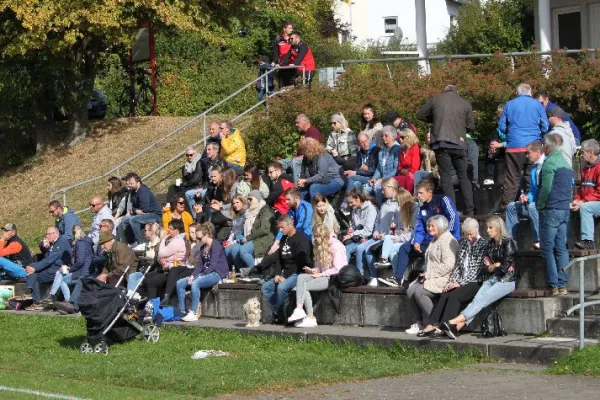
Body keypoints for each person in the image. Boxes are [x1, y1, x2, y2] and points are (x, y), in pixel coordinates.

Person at [441, 216, 517, 339]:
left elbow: (504, 269)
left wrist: (494, 266)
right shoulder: (490, 244)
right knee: (477, 300)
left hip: (506, 281)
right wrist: (495, 265)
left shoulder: (508, 243)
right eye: (487, 227)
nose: (487, 230)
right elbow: (485, 267)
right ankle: (456, 328)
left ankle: (452, 322)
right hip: (492, 278)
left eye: (490, 227)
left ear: (498, 228)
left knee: (483, 299)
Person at [419, 218, 488, 337]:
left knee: (455, 296)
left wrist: (459, 283)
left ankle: (445, 326)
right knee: (446, 293)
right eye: (466, 234)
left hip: (476, 281)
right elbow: (458, 266)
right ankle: (432, 323)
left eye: (471, 234)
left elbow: (477, 270)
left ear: (477, 230)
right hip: (461, 279)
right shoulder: (463, 243)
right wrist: (452, 281)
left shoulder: (483, 245)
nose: (469, 237)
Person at [417, 85, 475, 216]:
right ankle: (471, 210)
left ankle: (451, 210)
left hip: (441, 143)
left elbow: (420, 114)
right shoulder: (465, 103)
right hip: (459, 144)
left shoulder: (436, 99)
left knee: (446, 177)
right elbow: (470, 126)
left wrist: (435, 119)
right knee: (464, 177)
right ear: (456, 92)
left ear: (444, 91)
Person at [394, 179, 460, 289]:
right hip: (428, 240)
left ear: (430, 192)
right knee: (404, 248)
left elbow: (453, 217)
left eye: (420, 193)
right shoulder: (422, 208)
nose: (418, 196)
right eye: (417, 193)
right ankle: (398, 278)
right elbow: (419, 227)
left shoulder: (443, 200)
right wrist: (417, 242)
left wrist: (447, 235)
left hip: (445, 240)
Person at [498, 83, 549, 211]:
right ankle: (532, 205)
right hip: (533, 146)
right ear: (530, 93)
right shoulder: (537, 105)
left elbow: (502, 126)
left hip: (514, 147)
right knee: (531, 177)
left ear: (517, 92)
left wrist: (510, 134)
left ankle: (507, 209)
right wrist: (540, 135)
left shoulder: (509, 104)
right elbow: (545, 125)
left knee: (511, 179)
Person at [405, 215, 459, 335]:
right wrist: (425, 274)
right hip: (431, 276)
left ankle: (435, 323)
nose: (429, 228)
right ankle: (419, 322)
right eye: (428, 226)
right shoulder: (434, 239)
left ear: (440, 226)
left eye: (432, 226)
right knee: (410, 290)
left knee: (419, 291)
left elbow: (449, 265)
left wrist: (428, 275)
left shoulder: (448, 240)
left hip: (445, 277)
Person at [287, 223, 346, 327]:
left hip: (333, 278)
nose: (316, 239)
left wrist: (321, 274)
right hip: (323, 275)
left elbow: (338, 269)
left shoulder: (336, 246)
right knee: (301, 277)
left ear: (324, 235)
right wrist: (313, 270)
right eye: (315, 236)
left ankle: (310, 317)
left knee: (302, 286)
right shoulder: (319, 247)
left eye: (318, 236)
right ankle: (300, 309)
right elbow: (320, 267)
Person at [537, 133, 573, 295]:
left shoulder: (549, 164)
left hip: (550, 209)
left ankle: (553, 285)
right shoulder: (566, 163)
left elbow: (546, 188)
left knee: (547, 249)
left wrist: (540, 205)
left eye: (544, 146)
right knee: (562, 248)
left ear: (549, 147)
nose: (543, 148)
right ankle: (563, 285)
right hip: (564, 209)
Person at [262, 214, 312, 323]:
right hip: (284, 274)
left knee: (281, 288)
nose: (280, 230)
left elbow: (301, 262)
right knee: (265, 287)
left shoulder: (301, 240)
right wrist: (278, 274)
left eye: (282, 227)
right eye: (279, 228)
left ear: (290, 225)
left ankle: (277, 313)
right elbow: (280, 259)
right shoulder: (284, 238)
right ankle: (282, 304)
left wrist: (286, 278)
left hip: (298, 273)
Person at [177, 223, 228, 322]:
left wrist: (200, 276)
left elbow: (213, 265)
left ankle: (194, 312)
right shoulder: (202, 247)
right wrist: (193, 275)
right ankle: (181, 311)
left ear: (207, 235)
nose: (198, 240)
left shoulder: (216, 245)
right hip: (206, 272)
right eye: (197, 238)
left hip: (217, 273)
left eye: (200, 238)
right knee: (180, 283)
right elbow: (200, 265)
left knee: (196, 283)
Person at [355, 178, 401, 284]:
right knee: (361, 248)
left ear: (392, 188)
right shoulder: (385, 204)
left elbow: (397, 225)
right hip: (378, 236)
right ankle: (366, 277)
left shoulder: (398, 205)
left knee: (368, 249)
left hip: (388, 237)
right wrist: (376, 232)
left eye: (384, 189)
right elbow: (378, 222)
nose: (382, 192)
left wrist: (385, 234)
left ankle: (374, 277)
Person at [505, 141, 544, 249]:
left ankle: (539, 241)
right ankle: (510, 244)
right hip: (534, 204)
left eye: (528, 153)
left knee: (532, 207)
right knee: (511, 207)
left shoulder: (548, 164)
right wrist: (527, 197)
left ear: (537, 152)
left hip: (545, 205)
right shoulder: (534, 167)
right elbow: (532, 190)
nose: (526, 156)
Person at [141, 219, 189, 305]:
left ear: (177, 231)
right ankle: (147, 303)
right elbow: (160, 257)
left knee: (152, 281)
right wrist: (162, 260)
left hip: (174, 271)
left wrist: (163, 239)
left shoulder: (177, 241)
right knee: (147, 277)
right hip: (166, 268)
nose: (168, 230)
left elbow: (161, 253)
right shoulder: (172, 240)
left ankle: (153, 306)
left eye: (170, 228)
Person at [373, 187, 416, 276]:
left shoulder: (415, 211)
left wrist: (399, 238)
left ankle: (397, 276)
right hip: (400, 237)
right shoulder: (399, 210)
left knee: (393, 248)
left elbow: (412, 232)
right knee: (388, 238)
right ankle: (386, 262)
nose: (396, 204)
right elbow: (397, 227)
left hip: (409, 240)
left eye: (398, 202)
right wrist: (393, 231)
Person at [25, 227, 71, 303]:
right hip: (52, 267)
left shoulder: (61, 243)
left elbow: (49, 260)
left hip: (59, 270)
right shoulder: (55, 242)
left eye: (49, 234)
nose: (47, 236)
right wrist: (45, 247)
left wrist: (35, 269)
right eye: (46, 234)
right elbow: (46, 257)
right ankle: (33, 297)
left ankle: (34, 298)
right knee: (32, 266)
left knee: (35, 275)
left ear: (56, 234)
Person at [49, 225, 93, 303]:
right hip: (83, 269)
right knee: (60, 273)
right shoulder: (86, 241)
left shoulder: (80, 243)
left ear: (74, 234)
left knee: (62, 280)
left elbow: (80, 262)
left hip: (82, 272)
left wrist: (70, 268)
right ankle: (52, 295)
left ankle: (66, 301)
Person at [118, 173, 162, 246]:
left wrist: (136, 210)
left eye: (131, 183)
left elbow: (145, 209)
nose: (129, 185)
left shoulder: (143, 190)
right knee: (125, 220)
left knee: (133, 220)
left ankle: (141, 244)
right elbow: (131, 207)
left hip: (154, 215)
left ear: (138, 183)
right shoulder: (133, 192)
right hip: (144, 215)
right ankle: (132, 243)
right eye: (129, 184)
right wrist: (135, 210)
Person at [236, 191, 275, 270]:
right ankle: (243, 271)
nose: (248, 201)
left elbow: (264, 229)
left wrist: (248, 238)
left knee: (243, 250)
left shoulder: (266, 210)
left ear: (257, 199)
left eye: (250, 199)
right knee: (233, 250)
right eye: (248, 199)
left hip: (264, 239)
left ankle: (254, 271)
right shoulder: (251, 210)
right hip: (254, 238)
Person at [572, 139, 600, 250]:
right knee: (570, 209)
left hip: (594, 203)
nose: (581, 156)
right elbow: (581, 189)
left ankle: (588, 241)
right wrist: (576, 199)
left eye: (583, 153)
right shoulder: (585, 169)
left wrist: (583, 201)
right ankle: (565, 242)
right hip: (591, 202)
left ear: (591, 153)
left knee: (585, 208)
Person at [269, 187, 313, 255]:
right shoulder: (291, 210)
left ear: (297, 198)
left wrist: (287, 242)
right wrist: (276, 242)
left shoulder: (306, 208)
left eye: (288, 199)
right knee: (272, 251)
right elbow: (284, 226)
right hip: (296, 239)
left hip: (307, 239)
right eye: (286, 199)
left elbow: (301, 228)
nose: (286, 202)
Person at [280, 114, 322, 183]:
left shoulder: (313, 131)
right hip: (299, 158)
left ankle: (297, 187)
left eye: (297, 122)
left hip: (310, 159)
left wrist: (298, 158)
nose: (296, 125)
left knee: (295, 162)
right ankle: (284, 185)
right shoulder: (302, 134)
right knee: (280, 164)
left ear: (305, 121)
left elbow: (313, 151)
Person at [367, 126, 400, 203]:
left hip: (392, 178)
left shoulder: (397, 149)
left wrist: (382, 179)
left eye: (386, 136)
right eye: (383, 136)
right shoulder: (382, 150)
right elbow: (379, 167)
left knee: (377, 187)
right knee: (366, 187)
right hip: (382, 178)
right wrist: (374, 178)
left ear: (393, 137)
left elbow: (395, 170)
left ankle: (380, 209)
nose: (383, 138)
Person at [342, 189, 377, 263]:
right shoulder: (355, 209)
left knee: (346, 250)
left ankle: (344, 272)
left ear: (358, 199)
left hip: (369, 238)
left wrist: (352, 235)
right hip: (358, 237)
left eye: (351, 202)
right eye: (349, 203)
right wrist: (351, 230)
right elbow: (354, 226)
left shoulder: (371, 209)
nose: (350, 205)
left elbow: (368, 231)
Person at [483, 104, 507, 186]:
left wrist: (501, 144)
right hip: (502, 146)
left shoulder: (512, 126)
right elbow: (495, 138)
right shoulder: (498, 128)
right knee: (490, 151)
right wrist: (492, 147)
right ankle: (489, 177)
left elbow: (514, 141)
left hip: (510, 146)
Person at [394, 128, 421, 194]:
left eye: (402, 137)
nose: (400, 139)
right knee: (390, 183)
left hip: (412, 176)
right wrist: (403, 171)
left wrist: (403, 171)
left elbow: (414, 169)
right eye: (400, 137)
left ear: (409, 137)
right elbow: (399, 167)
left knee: (393, 183)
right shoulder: (402, 150)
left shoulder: (415, 148)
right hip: (403, 175)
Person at [223, 195, 247, 270]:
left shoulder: (246, 214)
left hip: (243, 239)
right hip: (235, 240)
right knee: (226, 249)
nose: (235, 205)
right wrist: (229, 241)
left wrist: (233, 242)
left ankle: (241, 269)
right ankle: (231, 270)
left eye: (237, 202)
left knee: (233, 249)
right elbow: (233, 231)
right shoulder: (236, 215)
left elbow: (243, 233)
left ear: (243, 202)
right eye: (233, 203)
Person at [272, 21, 294, 87]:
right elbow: (275, 52)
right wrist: (276, 62)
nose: (291, 30)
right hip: (281, 65)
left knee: (291, 84)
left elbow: (295, 51)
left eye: (292, 28)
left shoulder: (292, 38)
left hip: (291, 65)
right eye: (289, 28)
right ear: (284, 29)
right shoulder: (278, 39)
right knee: (282, 85)